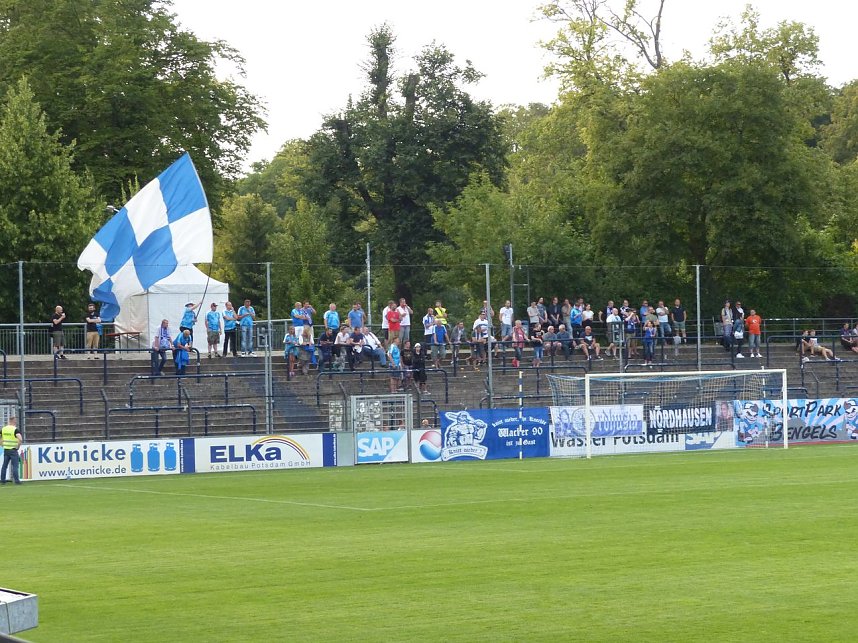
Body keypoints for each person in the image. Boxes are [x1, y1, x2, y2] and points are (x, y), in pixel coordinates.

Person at [0, 417, 22, 485]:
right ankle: (17, 481)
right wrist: (18, 447)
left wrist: (2, 444)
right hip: (13, 449)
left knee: (4, 466)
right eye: (15, 421)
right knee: (15, 466)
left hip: (6, 449)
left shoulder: (3, 429)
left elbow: (0, 437)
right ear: (14, 422)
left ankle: (3, 480)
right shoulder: (15, 429)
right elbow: (20, 439)